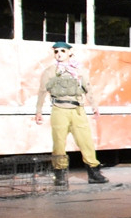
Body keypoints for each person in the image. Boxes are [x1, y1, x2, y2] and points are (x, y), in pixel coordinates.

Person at [33, 41, 109, 186]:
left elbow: (88, 88)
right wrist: (38, 111)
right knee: (59, 143)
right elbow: (42, 91)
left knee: (86, 141)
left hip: (77, 110)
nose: (59, 54)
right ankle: (60, 174)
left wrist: (94, 106)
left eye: (62, 51)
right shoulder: (50, 71)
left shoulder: (79, 70)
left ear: (70, 52)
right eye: (56, 51)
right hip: (59, 109)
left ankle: (94, 173)